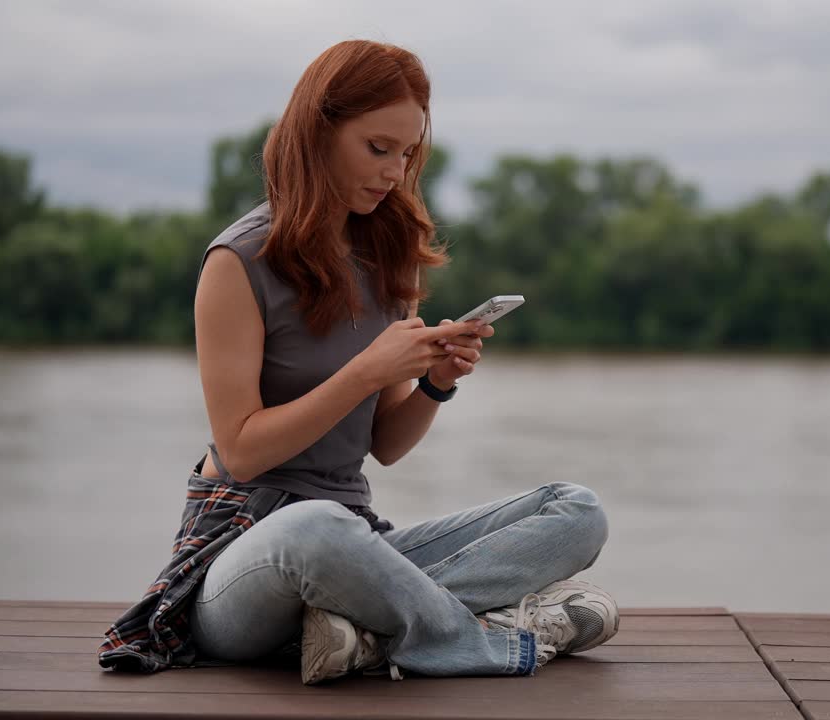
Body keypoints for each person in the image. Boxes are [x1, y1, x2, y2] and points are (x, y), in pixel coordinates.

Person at [97, 39, 618, 685]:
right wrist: (367, 371)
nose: (395, 172)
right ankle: (496, 637)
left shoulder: (384, 259)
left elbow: (386, 446)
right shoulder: (238, 263)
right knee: (312, 526)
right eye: (378, 149)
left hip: (355, 545)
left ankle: (360, 635)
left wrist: (433, 382)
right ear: (318, 133)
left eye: (407, 154)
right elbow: (241, 452)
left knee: (576, 510)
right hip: (243, 559)